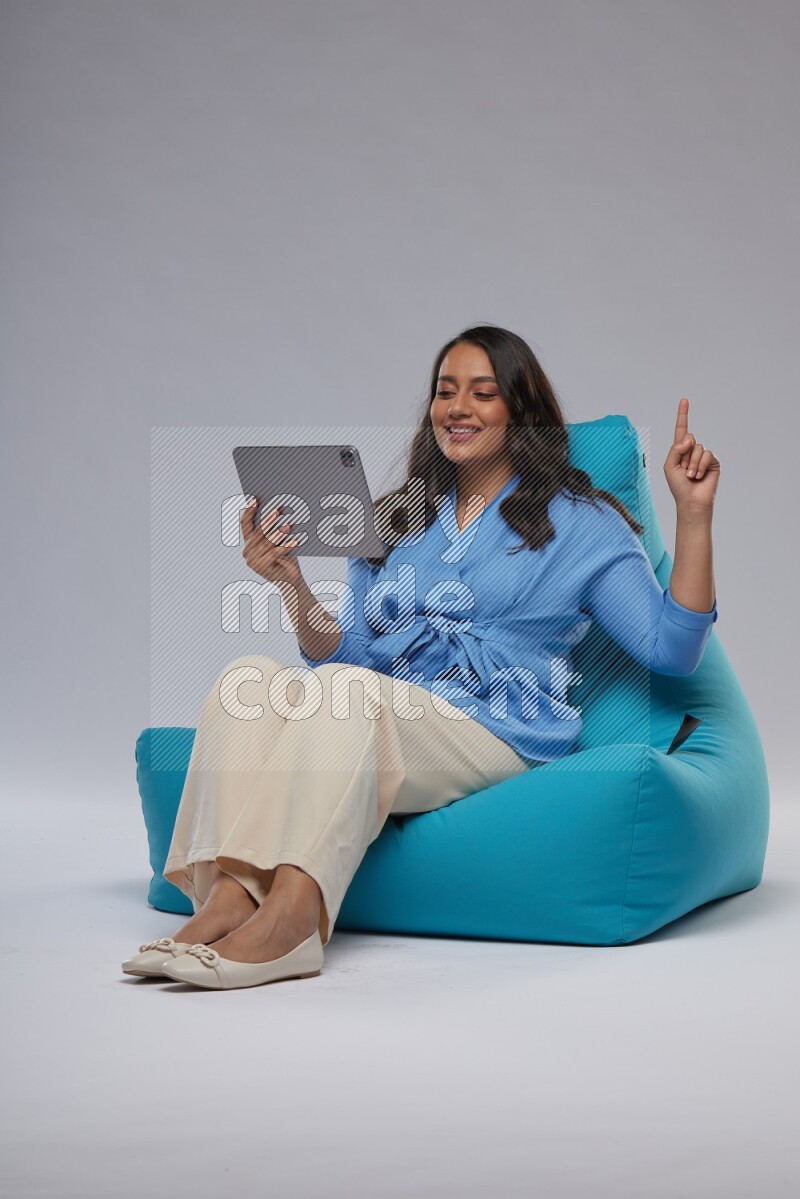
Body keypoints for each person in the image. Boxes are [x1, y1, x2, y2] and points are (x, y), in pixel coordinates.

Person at [122, 324, 720, 990]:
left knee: (347, 693)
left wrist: (694, 516)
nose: (456, 407)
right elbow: (345, 655)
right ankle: (225, 903)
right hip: (379, 714)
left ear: (520, 409)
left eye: (482, 393)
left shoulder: (579, 520)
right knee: (249, 679)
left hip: (495, 731)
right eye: (445, 391)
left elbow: (673, 647)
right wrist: (293, 586)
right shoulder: (400, 517)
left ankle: (290, 922)